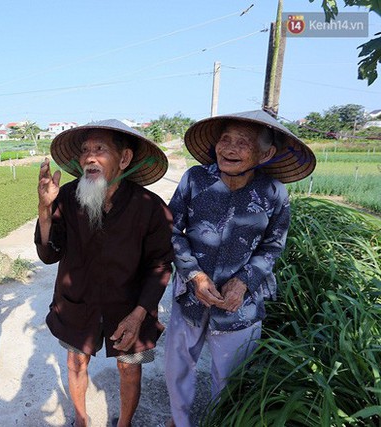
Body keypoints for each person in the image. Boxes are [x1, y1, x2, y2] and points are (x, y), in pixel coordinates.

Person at [163, 110, 316, 427]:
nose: (229, 148)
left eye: (242, 142)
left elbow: (274, 245)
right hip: (191, 296)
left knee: (232, 378)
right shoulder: (195, 179)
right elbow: (172, 231)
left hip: (240, 303)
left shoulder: (274, 193)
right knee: (178, 368)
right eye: (225, 139)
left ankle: (223, 422)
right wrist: (194, 274)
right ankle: (179, 422)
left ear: (266, 153)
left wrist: (245, 281)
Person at [35, 119, 174, 427]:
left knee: (130, 369)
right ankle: (81, 420)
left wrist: (139, 315)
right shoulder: (68, 198)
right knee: (75, 362)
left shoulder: (151, 207)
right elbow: (48, 254)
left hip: (131, 305)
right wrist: (44, 209)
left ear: (124, 159)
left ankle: (124, 423)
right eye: (85, 150)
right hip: (77, 301)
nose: (89, 157)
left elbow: (161, 265)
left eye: (100, 149)